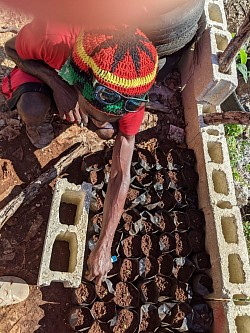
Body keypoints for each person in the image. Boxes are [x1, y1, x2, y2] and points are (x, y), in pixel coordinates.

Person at [2, 20, 158, 285]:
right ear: (78, 80)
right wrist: (57, 84)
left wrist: (104, 244)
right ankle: (38, 118)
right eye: (93, 113)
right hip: (50, 70)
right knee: (33, 106)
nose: (95, 122)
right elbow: (10, 49)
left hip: (72, 82)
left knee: (110, 133)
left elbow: (122, 173)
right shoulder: (52, 37)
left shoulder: (132, 85)